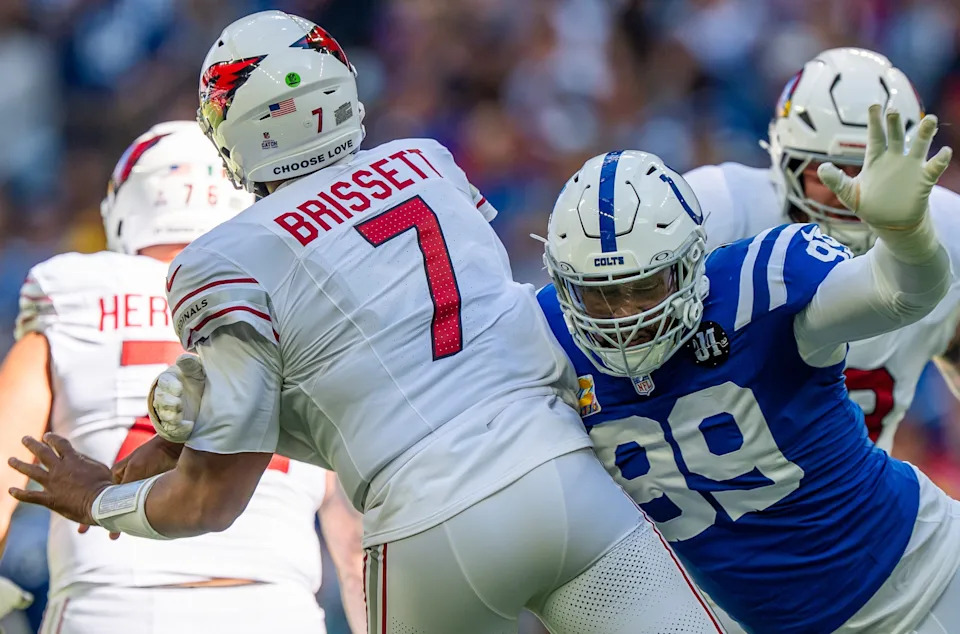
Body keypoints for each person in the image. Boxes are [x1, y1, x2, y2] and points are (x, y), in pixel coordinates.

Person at [7, 11, 723, 634]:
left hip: (427, 530)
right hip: (563, 480)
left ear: (231, 128)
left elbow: (212, 501)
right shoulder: (429, 162)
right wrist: (177, 433)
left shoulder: (224, 257)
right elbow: (388, 335)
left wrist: (100, 497)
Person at [535, 107, 960, 632]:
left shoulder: (762, 284)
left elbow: (901, 296)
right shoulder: (546, 337)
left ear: (691, 262)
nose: (625, 316)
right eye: (599, 296)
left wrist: (907, 237)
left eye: (644, 286)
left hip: (924, 577)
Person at [0, 121, 366, 633]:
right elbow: (358, 547)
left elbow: (7, 460)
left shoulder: (74, 289)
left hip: (109, 604)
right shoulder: (298, 301)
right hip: (270, 607)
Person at [683, 47, 960, 452]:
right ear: (786, 164)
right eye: (827, 172)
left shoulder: (946, 232)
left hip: (856, 506)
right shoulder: (722, 212)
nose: (854, 196)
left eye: (872, 169)